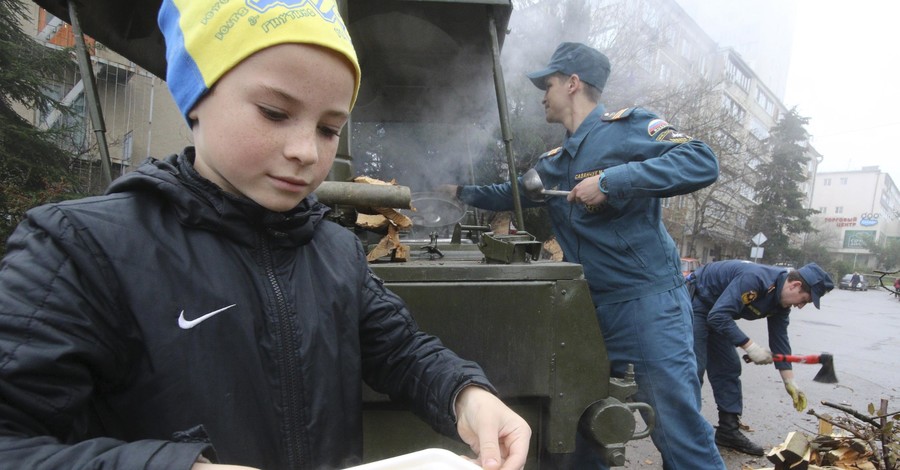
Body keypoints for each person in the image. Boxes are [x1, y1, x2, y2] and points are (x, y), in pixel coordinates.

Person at [0, 1, 531, 469]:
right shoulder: (77, 249)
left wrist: (466, 395)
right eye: (275, 113)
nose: (306, 151)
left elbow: (402, 351)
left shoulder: (334, 250)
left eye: (329, 128)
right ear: (197, 96)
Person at [442, 42, 724, 469]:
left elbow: (701, 160)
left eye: (548, 84)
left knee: (677, 431)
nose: (542, 95)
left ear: (573, 84)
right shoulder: (555, 162)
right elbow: (512, 193)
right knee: (577, 426)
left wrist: (613, 180)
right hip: (586, 312)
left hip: (645, 305)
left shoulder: (628, 128)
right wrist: (457, 192)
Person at [687, 261, 834, 456]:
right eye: (804, 300)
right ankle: (685, 433)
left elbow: (780, 340)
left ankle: (728, 431)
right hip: (698, 300)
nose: (800, 306)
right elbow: (718, 316)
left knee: (729, 367)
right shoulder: (757, 279)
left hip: (718, 311)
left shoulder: (780, 303)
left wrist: (790, 381)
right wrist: (750, 346)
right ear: (795, 285)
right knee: (694, 368)